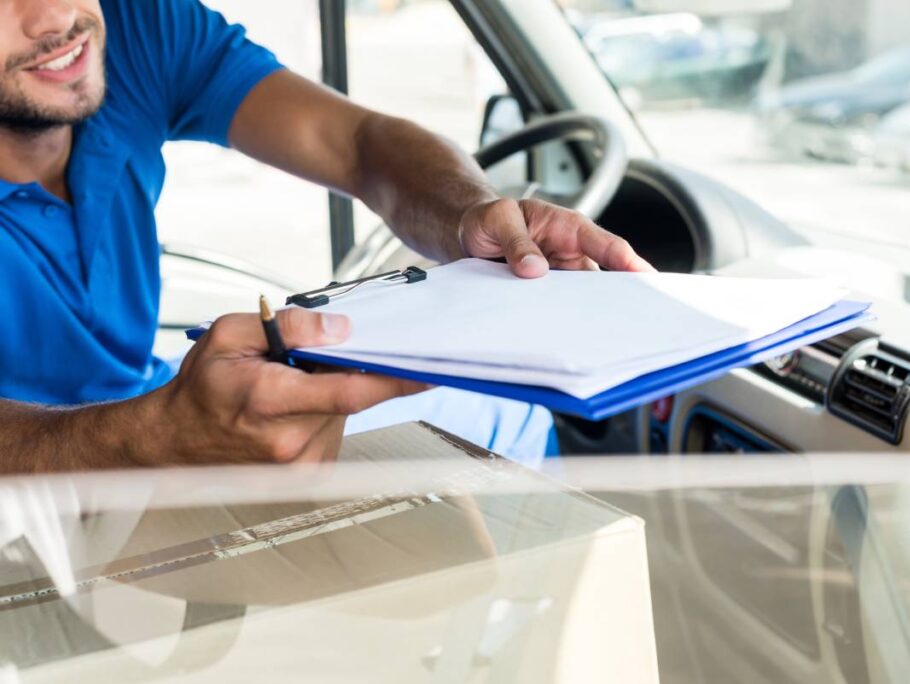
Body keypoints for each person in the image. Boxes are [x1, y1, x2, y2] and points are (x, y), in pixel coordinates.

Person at [0, 0, 651, 473]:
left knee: (508, 416)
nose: (53, 18)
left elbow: (356, 142)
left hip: (143, 398)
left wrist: (469, 212)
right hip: (33, 479)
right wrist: (148, 436)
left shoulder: (134, 29)